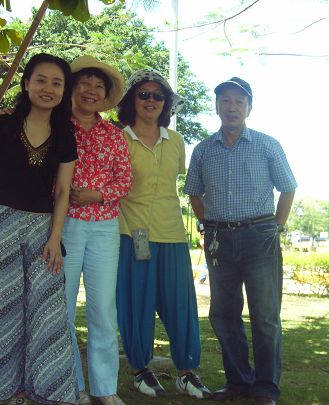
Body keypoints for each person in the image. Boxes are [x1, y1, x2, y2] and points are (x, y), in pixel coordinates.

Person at [0, 53, 78, 405]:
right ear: (26, 84)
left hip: (43, 230)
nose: (48, 88)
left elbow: (63, 191)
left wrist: (55, 237)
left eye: (57, 83)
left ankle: (45, 389)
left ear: (63, 91)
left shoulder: (65, 134)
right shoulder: (3, 126)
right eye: (41, 80)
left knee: (44, 307)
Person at [184, 77, 297, 405]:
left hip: (260, 236)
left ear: (249, 107)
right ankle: (237, 381)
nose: (231, 107)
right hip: (219, 239)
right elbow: (194, 193)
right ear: (216, 106)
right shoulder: (203, 150)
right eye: (225, 101)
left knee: (265, 316)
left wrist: (277, 227)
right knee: (223, 313)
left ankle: (265, 388)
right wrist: (208, 225)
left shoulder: (267, 145)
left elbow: (288, 187)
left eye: (239, 101)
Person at [116, 69, 211, 400]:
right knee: (137, 303)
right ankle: (140, 369)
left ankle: (186, 372)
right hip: (134, 233)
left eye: (158, 96)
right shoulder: (119, 139)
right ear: (131, 100)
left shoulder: (177, 142)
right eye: (144, 94)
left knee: (180, 304)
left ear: (166, 103)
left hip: (173, 235)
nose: (151, 100)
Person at [62, 55, 131, 405]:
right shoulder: (57, 127)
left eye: (98, 86)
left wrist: (96, 195)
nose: (91, 91)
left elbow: (125, 181)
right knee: (61, 306)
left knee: (103, 308)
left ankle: (105, 388)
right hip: (63, 226)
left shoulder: (114, 135)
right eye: (84, 84)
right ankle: (70, 384)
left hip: (104, 227)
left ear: (105, 95)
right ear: (73, 89)